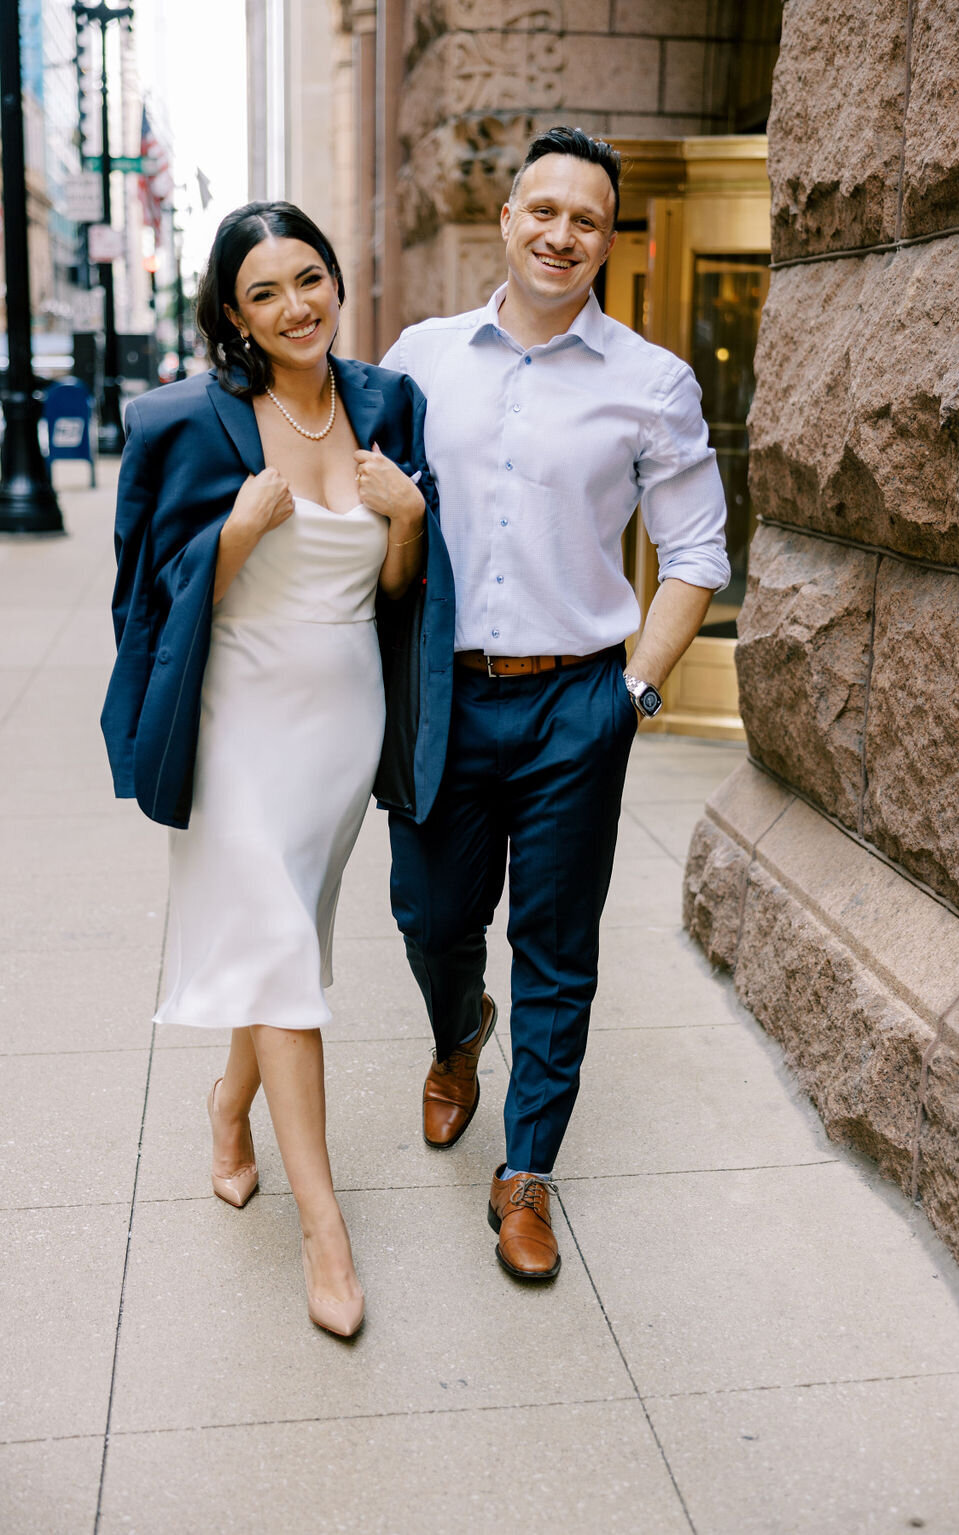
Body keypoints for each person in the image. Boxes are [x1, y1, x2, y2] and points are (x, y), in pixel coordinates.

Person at [381, 126, 730, 1281]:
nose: (560, 234)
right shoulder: (421, 360)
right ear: (507, 217)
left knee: (556, 944)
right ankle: (455, 1030)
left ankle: (525, 1172)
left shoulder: (651, 382)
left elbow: (694, 554)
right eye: (544, 210)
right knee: (432, 919)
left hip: (576, 703)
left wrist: (631, 693)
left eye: (586, 219)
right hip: (443, 694)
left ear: (609, 240)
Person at [100, 201, 454, 1337]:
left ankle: (228, 1100)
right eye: (265, 292)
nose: (296, 306)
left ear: (335, 281)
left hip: (341, 723)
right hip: (238, 723)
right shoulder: (187, 423)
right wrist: (240, 532)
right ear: (231, 315)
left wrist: (403, 518)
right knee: (281, 946)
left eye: (309, 278)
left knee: (281, 940)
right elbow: (150, 592)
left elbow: (397, 591)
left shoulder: (388, 403)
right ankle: (325, 1232)